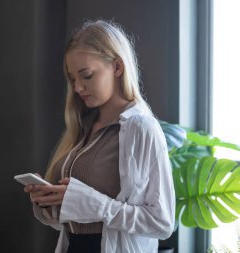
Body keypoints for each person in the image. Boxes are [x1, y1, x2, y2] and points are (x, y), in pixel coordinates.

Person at [23, 19, 175, 253]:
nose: (77, 88)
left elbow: (161, 222)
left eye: (86, 75)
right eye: (73, 79)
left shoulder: (142, 129)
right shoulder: (83, 127)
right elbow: (75, 218)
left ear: (117, 67)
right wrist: (49, 201)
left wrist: (93, 203)